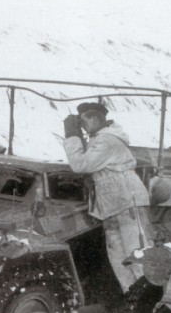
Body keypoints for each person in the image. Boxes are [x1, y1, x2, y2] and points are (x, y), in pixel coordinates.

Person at [62, 102, 153, 293]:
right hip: (113, 207)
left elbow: (80, 164)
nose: (82, 126)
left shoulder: (107, 140)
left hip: (129, 204)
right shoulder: (99, 139)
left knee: (137, 257)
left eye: (83, 121)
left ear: (95, 118)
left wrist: (72, 136)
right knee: (120, 260)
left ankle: (151, 303)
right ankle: (134, 302)